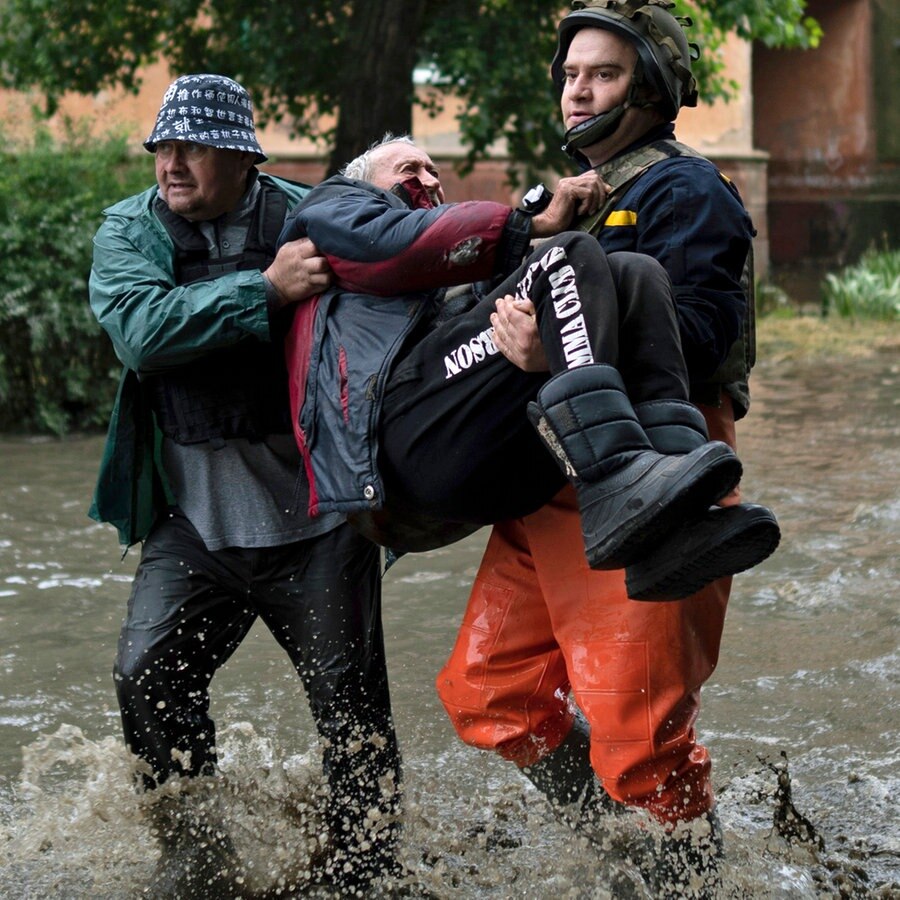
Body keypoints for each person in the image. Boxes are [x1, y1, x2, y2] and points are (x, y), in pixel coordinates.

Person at [435, 1, 781, 895]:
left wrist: (561, 347)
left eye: (605, 74)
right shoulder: (568, 203)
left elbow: (702, 336)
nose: (578, 90)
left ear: (653, 88)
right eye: (571, 74)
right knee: (488, 696)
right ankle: (618, 849)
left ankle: (690, 874)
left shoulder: (688, 189)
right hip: (552, 468)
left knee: (643, 745)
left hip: (654, 469)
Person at [88, 74, 402, 898]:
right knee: (144, 674)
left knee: (353, 716)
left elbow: (411, 276)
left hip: (320, 525)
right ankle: (196, 850)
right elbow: (141, 332)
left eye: (191, 147)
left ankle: (367, 868)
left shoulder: (310, 217)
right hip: (195, 527)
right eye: (162, 146)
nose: (171, 163)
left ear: (241, 158)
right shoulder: (130, 230)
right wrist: (264, 291)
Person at [278, 135, 773, 604]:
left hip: (475, 453)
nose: (429, 179)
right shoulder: (333, 208)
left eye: (434, 170)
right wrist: (528, 225)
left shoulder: (456, 272)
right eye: (409, 169)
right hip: (396, 452)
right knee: (569, 254)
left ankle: (682, 518)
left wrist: (543, 345)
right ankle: (613, 482)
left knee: (634, 271)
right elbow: (390, 243)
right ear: (364, 184)